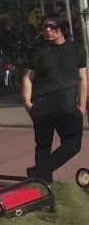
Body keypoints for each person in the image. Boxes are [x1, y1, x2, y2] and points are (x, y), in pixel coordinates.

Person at [22, 14, 87, 182]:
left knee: (73, 145)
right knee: (43, 146)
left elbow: (82, 78)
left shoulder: (77, 49)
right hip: (43, 105)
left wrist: (82, 105)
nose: (48, 30)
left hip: (68, 107)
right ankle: (44, 183)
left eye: (53, 27)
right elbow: (28, 78)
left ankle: (37, 171)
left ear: (63, 28)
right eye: (45, 27)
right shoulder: (38, 50)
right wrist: (28, 103)